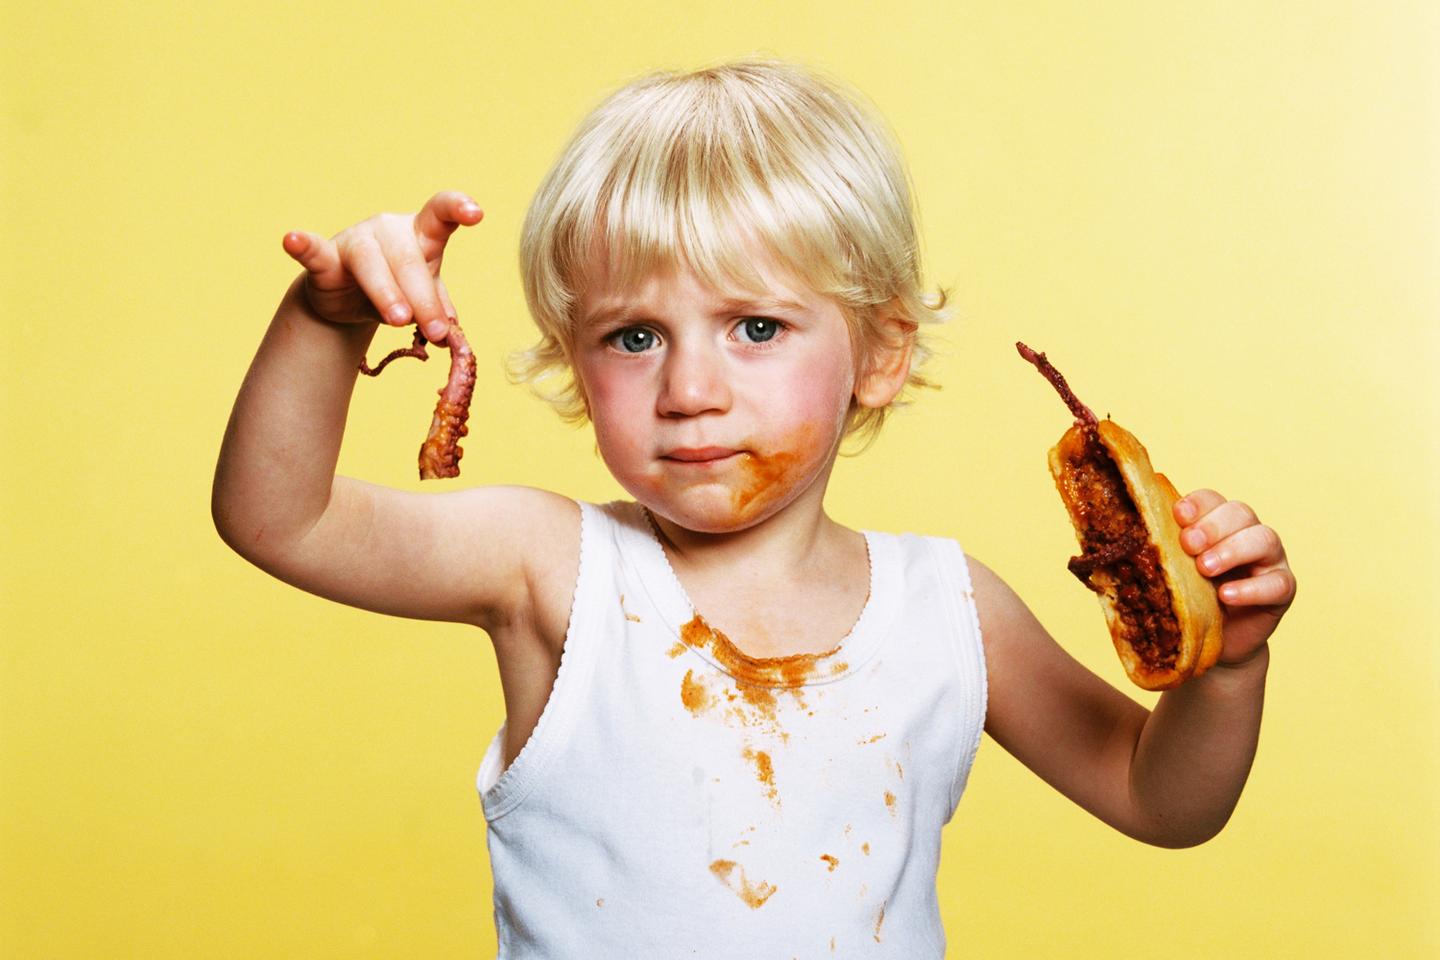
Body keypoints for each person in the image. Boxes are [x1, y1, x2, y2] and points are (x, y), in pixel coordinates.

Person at [212, 59, 1295, 958]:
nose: (690, 388)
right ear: (577, 365)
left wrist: (1229, 670)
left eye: (756, 328)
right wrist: (326, 320)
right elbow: (279, 519)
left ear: (877, 353)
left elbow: (1161, 801)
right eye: (634, 337)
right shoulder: (551, 568)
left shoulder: (947, 606)